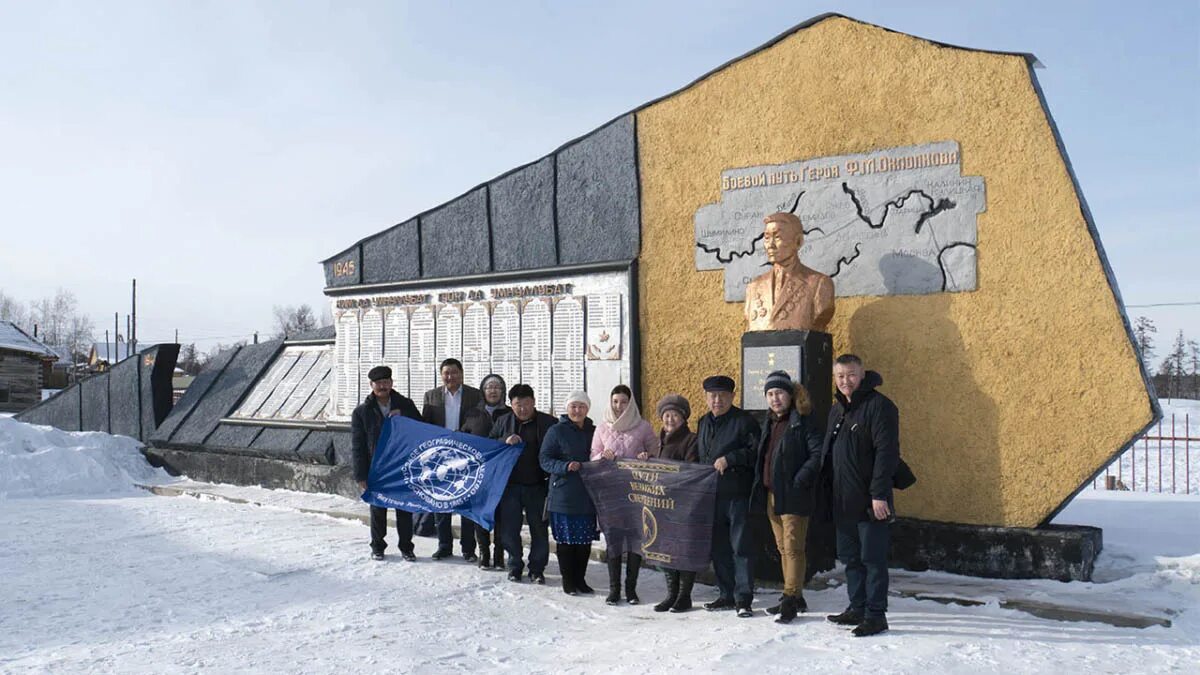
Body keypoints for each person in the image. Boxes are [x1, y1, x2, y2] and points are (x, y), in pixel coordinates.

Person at [820, 354, 900, 637]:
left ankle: (876, 615)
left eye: (851, 375)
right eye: (840, 376)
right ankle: (857, 607)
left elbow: (887, 454)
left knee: (872, 559)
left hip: (870, 502)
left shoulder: (880, 407)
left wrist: (879, 495)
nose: (846, 381)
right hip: (843, 501)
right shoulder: (837, 409)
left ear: (862, 374)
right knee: (851, 558)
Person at [750, 371, 823, 624]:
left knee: (793, 548)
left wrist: (800, 480)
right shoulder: (770, 422)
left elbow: (817, 455)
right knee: (783, 548)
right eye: (770, 394)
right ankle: (795, 595)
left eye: (779, 393)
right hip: (772, 494)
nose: (775, 398)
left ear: (790, 395)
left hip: (794, 495)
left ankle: (790, 599)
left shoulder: (803, 420)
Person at [696, 375, 761, 618]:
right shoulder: (703, 422)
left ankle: (743, 598)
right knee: (719, 548)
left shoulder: (745, 422)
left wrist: (730, 459)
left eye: (722, 396)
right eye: (712, 396)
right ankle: (725, 594)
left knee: (740, 547)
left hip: (737, 495)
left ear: (732, 397)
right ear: (706, 398)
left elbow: (755, 452)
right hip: (711, 496)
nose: (717, 400)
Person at [590, 384, 658, 605]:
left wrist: (646, 455)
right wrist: (603, 455)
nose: (619, 406)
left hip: (637, 492)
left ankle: (631, 589)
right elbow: (592, 456)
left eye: (624, 402)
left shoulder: (643, 427)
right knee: (614, 540)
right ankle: (614, 590)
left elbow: (656, 452)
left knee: (635, 541)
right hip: (611, 493)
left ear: (631, 404)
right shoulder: (602, 427)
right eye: (615, 401)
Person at [351, 365, 423, 562]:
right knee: (377, 509)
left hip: (402, 466)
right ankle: (377, 546)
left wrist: (404, 417)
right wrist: (361, 475)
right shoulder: (362, 412)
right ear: (371, 385)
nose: (383, 386)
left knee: (404, 508)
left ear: (392, 383)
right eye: (378, 383)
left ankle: (407, 547)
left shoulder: (405, 404)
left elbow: (420, 427)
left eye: (386, 382)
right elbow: (358, 446)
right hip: (377, 468)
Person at [491, 383, 557, 584]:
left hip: (538, 485)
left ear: (534, 403)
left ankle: (537, 568)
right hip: (510, 486)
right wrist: (504, 440)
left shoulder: (548, 423)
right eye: (518, 404)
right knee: (510, 529)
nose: (522, 408)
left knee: (539, 528)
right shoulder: (503, 421)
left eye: (526, 403)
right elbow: (490, 444)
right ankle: (514, 565)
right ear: (511, 405)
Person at [421, 358, 483, 561]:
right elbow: (425, 426)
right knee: (441, 503)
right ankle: (444, 545)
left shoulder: (475, 395)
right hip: (440, 456)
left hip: (465, 455)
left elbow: (479, 422)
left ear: (461, 373)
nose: (450, 377)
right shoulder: (431, 396)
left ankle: (468, 549)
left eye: (454, 372)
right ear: (441, 375)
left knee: (465, 503)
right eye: (446, 373)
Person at [539, 390, 598, 596]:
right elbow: (544, 459)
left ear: (587, 409)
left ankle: (581, 580)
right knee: (566, 541)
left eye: (582, 406)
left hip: (587, 495)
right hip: (563, 494)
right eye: (573, 406)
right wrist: (564, 466)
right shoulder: (556, 431)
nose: (577, 410)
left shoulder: (594, 431)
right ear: (567, 408)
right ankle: (568, 581)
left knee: (584, 541)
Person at [648, 393, 701, 613]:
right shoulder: (658, 441)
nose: (670, 419)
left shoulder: (691, 440)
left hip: (682, 505)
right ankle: (671, 594)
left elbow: (692, 470)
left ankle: (684, 596)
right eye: (667, 415)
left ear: (684, 418)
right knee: (665, 550)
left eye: (675, 415)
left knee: (683, 551)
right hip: (661, 505)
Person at [743, 211, 835, 332]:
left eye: (777, 237)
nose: (770, 245)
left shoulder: (819, 284)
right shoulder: (753, 287)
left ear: (798, 242)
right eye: (766, 238)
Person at [460, 373, 511, 570]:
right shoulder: (473, 413)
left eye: (497, 387)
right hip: (479, 473)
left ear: (502, 391)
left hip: (501, 473)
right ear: (483, 390)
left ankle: (499, 554)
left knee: (500, 515)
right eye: (489, 387)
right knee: (480, 513)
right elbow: (464, 437)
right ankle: (484, 551)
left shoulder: (509, 413)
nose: (493, 390)